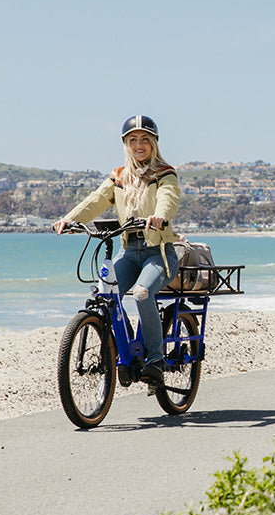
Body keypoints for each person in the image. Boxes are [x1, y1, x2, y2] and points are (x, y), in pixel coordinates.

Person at [53, 115, 181, 380]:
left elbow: (168, 198)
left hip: (158, 253)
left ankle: (155, 359)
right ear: (126, 144)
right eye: (132, 140)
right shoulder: (119, 176)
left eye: (145, 139)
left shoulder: (164, 173)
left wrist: (159, 216)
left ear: (154, 142)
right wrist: (70, 219)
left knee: (142, 293)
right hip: (129, 251)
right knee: (104, 297)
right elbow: (96, 200)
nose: (139, 145)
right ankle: (121, 353)